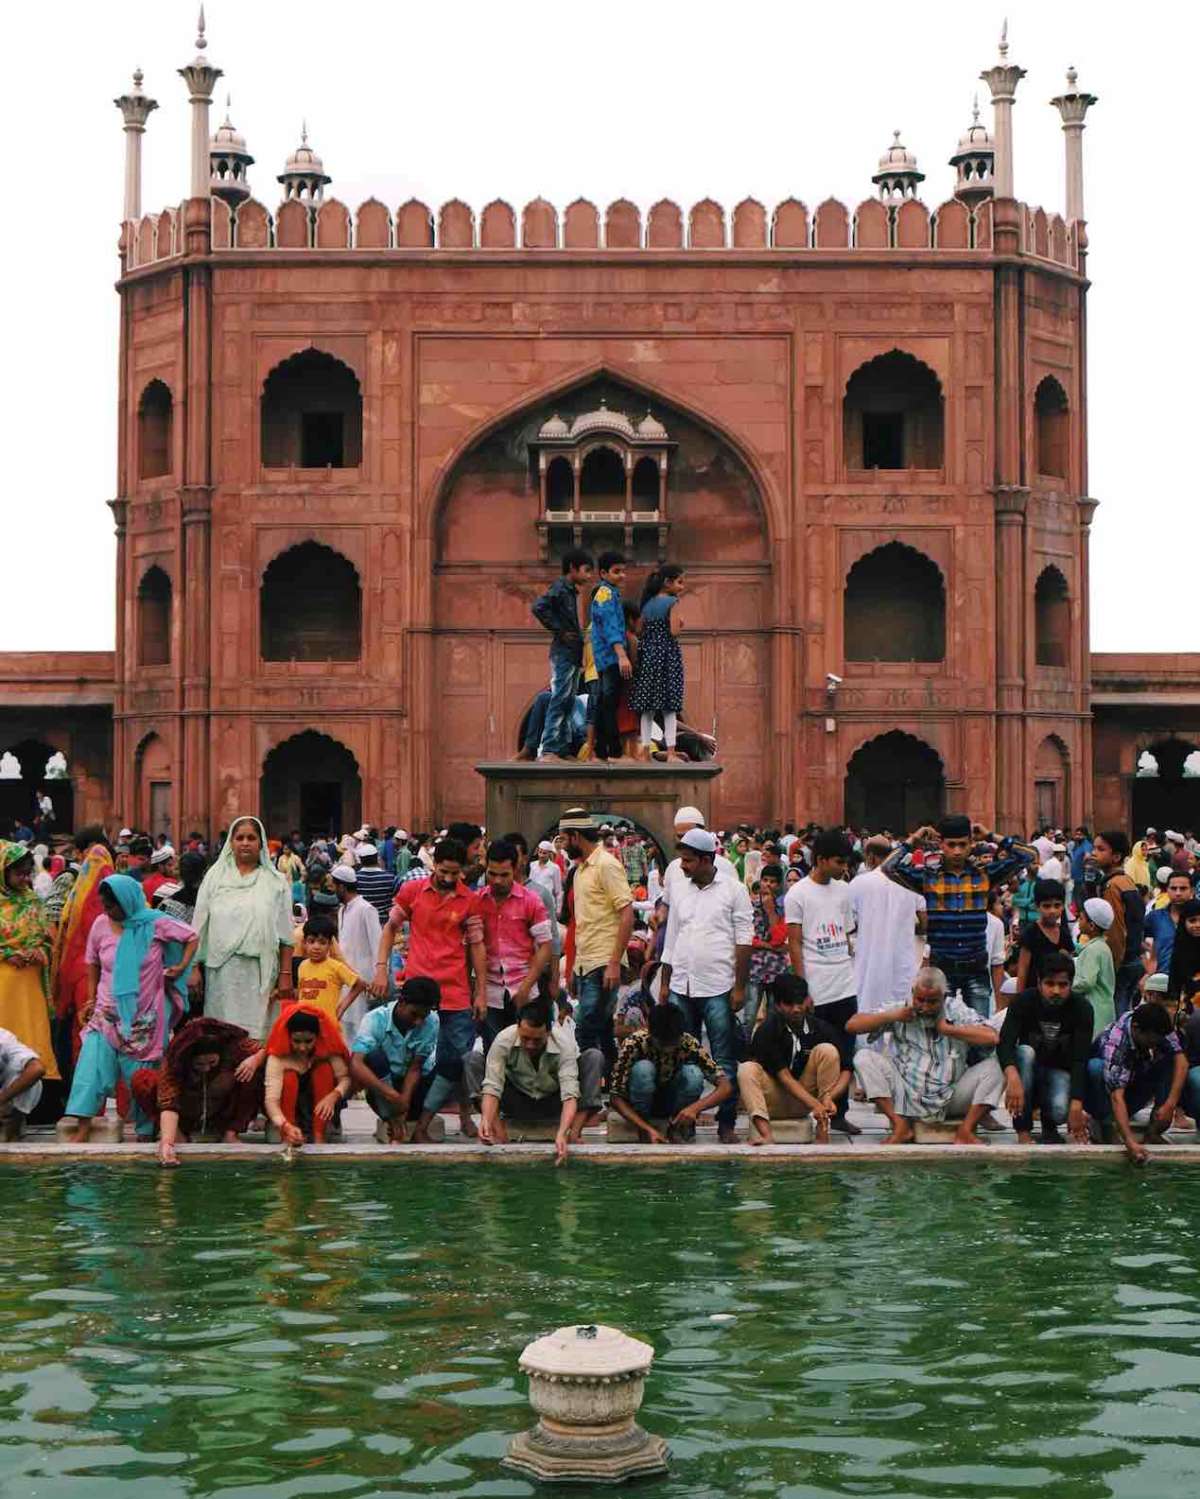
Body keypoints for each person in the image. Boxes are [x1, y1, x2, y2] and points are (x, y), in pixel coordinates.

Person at [61, 875, 197, 1142]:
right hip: (107, 1012)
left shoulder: (154, 923)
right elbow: (92, 963)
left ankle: (146, 1131)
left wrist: (181, 968)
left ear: (128, 901)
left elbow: (192, 937)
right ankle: (83, 1127)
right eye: (105, 905)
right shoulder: (101, 925)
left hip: (144, 1016)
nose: (107, 911)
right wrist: (90, 1000)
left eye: (112, 906)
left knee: (143, 1078)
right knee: (90, 1067)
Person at [371, 837, 486, 1138]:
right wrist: (382, 969)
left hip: (456, 992)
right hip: (417, 992)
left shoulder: (469, 899)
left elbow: (477, 946)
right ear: (434, 864)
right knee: (410, 1056)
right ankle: (404, 1113)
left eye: (455, 873)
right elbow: (390, 928)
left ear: (463, 870)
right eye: (444, 871)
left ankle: (463, 1114)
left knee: (457, 1059)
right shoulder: (412, 891)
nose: (449, 878)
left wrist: (481, 992)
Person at [882, 816, 1036, 1016]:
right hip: (942, 970)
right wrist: (915, 839)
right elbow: (888, 867)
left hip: (976, 968)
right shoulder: (928, 878)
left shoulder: (985, 875)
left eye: (963, 844)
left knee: (978, 1031)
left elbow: (1030, 855)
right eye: (951, 844)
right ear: (941, 845)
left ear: (971, 844)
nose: (957, 851)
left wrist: (990, 835)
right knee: (941, 1034)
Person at [660, 827, 752, 1143]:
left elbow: (744, 941)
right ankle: (684, 1121)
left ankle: (726, 1123)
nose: (682, 866)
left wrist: (740, 988)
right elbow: (672, 938)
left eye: (688, 861)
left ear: (706, 859)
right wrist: (665, 983)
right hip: (681, 985)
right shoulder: (680, 887)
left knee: (723, 1058)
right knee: (682, 1056)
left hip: (719, 986)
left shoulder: (734, 890)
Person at [847, 967, 1004, 1146]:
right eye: (920, 1000)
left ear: (944, 998)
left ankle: (965, 1131)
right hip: (907, 1097)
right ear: (913, 993)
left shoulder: (955, 1008)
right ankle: (900, 1126)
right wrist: (893, 1016)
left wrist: (950, 1030)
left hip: (951, 1097)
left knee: (998, 1065)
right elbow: (852, 1025)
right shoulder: (901, 1009)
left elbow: (992, 1037)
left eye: (932, 1002)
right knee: (863, 1057)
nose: (925, 1007)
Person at [785, 827, 860, 1134]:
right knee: (816, 1052)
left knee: (846, 1053)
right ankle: (815, 1109)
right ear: (820, 859)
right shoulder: (797, 894)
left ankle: (839, 1112)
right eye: (839, 862)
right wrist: (803, 990)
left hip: (844, 984)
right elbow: (794, 944)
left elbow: (846, 933)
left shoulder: (844, 890)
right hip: (816, 987)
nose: (844, 868)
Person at [192, 816, 295, 1039]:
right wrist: (193, 967)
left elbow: (286, 935)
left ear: (261, 843)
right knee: (221, 1035)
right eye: (239, 838)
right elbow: (199, 926)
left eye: (251, 838)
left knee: (256, 1038)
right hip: (222, 972)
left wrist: (286, 974)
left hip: (260, 973)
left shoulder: (276, 882)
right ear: (231, 843)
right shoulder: (215, 878)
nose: (245, 843)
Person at [473, 999, 603, 1164]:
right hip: (516, 1100)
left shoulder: (564, 1044)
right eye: (526, 1038)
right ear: (518, 1027)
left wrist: (562, 1133)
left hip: (553, 1101)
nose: (530, 1045)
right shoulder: (503, 1040)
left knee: (594, 1057)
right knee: (473, 1061)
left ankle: (575, 1133)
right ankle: (498, 1132)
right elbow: (492, 1087)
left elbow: (570, 1095)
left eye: (537, 1040)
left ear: (548, 1032)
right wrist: (486, 1120)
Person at [737, 973, 852, 1145]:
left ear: (807, 1000)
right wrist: (816, 1104)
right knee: (746, 1069)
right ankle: (766, 1134)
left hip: (805, 1102)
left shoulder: (820, 1028)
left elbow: (847, 1070)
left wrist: (828, 1098)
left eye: (799, 1003)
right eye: (789, 1004)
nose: (796, 1009)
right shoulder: (767, 1030)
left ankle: (822, 1129)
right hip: (773, 1101)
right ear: (777, 1005)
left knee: (827, 1051)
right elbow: (785, 1078)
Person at [132, 1016, 263, 1166]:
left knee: (253, 1075)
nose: (206, 1068)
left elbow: (265, 1049)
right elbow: (168, 1101)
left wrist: (254, 1060)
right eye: (199, 1064)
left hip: (222, 1108)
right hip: (187, 1107)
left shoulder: (234, 1044)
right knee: (143, 1079)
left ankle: (230, 1132)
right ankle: (179, 1134)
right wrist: (167, 1142)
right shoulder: (176, 1057)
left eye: (212, 1062)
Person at [559, 811, 634, 1068]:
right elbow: (580, 923)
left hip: (603, 962)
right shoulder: (580, 870)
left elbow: (627, 914)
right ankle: (613, 1087)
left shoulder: (606, 865)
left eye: (563, 839)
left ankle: (588, 1095)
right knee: (601, 1029)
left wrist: (614, 963)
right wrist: (572, 968)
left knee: (585, 1030)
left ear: (575, 837)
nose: (562, 845)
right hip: (586, 962)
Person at [995, 951, 1092, 1145]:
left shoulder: (1082, 1008)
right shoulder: (1023, 1002)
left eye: (1063, 985)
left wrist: (1076, 1103)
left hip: (1058, 1073)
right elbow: (1005, 1043)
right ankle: (1023, 1130)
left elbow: (1080, 1059)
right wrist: (1012, 1076)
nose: (1056, 991)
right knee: (1024, 1052)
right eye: (1050, 984)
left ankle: (1050, 1127)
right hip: (1027, 1070)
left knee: (1060, 1111)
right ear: (1039, 982)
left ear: (1071, 985)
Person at [608, 1001, 732, 1144]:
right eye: (662, 1044)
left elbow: (725, 1086)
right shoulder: (634, 1043)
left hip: (672, 1102)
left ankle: (678, 1126)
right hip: (640, 1105)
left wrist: (694, 1109)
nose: (667, 1049)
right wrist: (646, 1128)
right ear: (650, 1031)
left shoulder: (688, 1043)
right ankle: (644, 1128)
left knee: (693, 1074)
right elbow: (615, 1097)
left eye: (672, 1043)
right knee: (643, 1069)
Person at [471, 839, 553, 1049]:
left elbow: (545, 946)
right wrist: (478, 992)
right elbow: (472, 947)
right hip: (489, 990)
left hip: (524, 988)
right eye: (492, 873)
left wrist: (526, 987)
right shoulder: (476, 901)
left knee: (526, 1049)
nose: (497, 880)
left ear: (516, 869)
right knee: (495, 1051)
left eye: (504, 875)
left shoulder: (531, 900)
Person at [1084, 1003, 1188, 1162]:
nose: (1154, 1043)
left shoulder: (1156, 1025)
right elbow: (1116, 1097)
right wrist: (1129, 1142)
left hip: (1135, 1081)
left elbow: (1182, 1061)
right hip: (1105, 1094)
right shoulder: (1117, 1042)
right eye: (1151, 1039)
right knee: (1095, 1068)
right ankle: (1105, 1126)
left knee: (1170, 1060)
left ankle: (1153, 1131)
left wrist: (1170, 1105)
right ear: (1136, 1029)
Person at [49, 830, 115, 1073]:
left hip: (81, 968)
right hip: (91, 970)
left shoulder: (85, 889)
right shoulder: (80, 883)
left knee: (86, 1029)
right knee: (91, 1029)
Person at [349, 976, 442, 1143]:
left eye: (424, 1016)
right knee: (374, 1057)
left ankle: (419, 1128)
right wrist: (390, 1093)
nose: (418, 1021)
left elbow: (416, 1067)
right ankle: (392, 1122)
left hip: (415, 1089)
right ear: (401, 1002)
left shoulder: (432, 1021)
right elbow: (356, 1063)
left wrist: (403, 1102)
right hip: (382, 1089)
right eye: (414, 1014)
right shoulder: (374, 1019)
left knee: (446, 1063)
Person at [0, 840, 59, 1089]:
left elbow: (48, 941)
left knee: (33, 1034)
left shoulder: (33, 902)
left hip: (29, 984)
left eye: (27, 873)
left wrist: (39, 952)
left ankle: (35, 1087)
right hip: (4, 984)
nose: (25, 879)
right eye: (19, 873)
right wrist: (4, 954)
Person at [849, 835, 926, 1017]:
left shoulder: (858, 884)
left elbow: (849, 927)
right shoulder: (909, 882)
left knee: (868, 1016)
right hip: (903, 964)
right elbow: (925, 923)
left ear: (870, 857)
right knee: (902, 1014)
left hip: (868, 966)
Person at [531, 547, 594, 760]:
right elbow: (539, 607)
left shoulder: (569, 591)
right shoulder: (560, 588)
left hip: (571, 653)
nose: (588, 575)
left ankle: (562, 748)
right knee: (559, 700)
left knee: (568, 701)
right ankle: (548, 748)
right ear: (572, 568)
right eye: (586, 570)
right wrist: (560, 630)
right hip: (563, 653)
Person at [263, 1003, 351, 1146]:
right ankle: (288, 1134)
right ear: (288, 1037)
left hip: (318, 1107)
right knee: (289, 1077)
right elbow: (271, 1101)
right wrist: (285, 1125)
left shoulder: (328, 1048)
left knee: (324, 1070)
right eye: (296, 1041)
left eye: (308, 1041)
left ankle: (319, 1133)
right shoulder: (278, 1057)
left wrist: (333, 1096)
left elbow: (345, 1079)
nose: (302, 1047)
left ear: (317, 1037)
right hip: (286, 1113)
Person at [630, 565, 686, 759]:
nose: (682, 587)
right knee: (670, 706)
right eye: (680, 582)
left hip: (648, 655)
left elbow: (638, 630)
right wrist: (680, 623)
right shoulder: (672, 602)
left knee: (647, 707)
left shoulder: (647, 603)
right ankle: (671, 752)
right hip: (667, 656)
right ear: (667, 582)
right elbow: (674, 632)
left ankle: (645, 752)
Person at [1088, 830, 1145, 1018]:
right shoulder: (1126, 881)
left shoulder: (1113, 886)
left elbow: (1116, 931)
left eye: (1101, 849)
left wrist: (1110, 967)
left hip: (1122, 962)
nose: (1094, 853)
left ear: (1116, 856)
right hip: (1134, 959)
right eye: (1094, 848)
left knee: (1117, 1016)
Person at [590, 550, 632, 761]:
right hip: (610, 657)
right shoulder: (606, 593)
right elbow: (610, 626)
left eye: (623, 571)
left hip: (605, 656)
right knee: (608, 703)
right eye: (617, 572)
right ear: (604, 573)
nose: (622, 576)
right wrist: (621, 655)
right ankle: (614, 751)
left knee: (607, 703)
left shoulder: (608, 592)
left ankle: (602, 751)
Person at [295, 916, 366, 1025]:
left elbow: (360, 984)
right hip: (306, 1026)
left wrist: (341, 1008)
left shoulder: (336, 967)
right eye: (311, 941)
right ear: (304, 943)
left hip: (328, 1026)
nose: (316, 947)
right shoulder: (302, 966)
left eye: (322, 943)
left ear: (330, 945)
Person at [745, 862, 790, 1033]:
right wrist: (769, 946)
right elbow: (748, 939)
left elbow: (779, 940)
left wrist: (771, 911)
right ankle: (745, 1054)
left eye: (773, 881)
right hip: (754, 969)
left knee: (774, 1019)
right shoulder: (749, 907)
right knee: (749, 1017)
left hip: (776, 971)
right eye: (765, 880)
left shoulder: (783, 910)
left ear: (779, 885)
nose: (768, 885)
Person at [1014, 879, 1073, 991]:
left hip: (1057, 994)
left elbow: (1069, 968)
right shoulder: (1030, 933)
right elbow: (1022, 971)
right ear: (1037, 906)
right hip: (1033, 995)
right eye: (1046, 906)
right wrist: (1020, 1001)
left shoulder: (1064, 934)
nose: (1052, 911)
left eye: (1057, 906)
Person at [1074, 898, 1117, 1037]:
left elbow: (1087, 982)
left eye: (1081, 918)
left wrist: (1067, 987)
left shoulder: (1093, 950)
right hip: (1105, 1008)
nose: (1078, 922)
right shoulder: (1101, 947)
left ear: (1091, 925)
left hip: (1095, 1009)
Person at [1145, 872, 1196, 977]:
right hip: (1162, 982)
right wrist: (1148, 964)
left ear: (1192, 890)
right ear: (1166, 890)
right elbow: (1135, 938)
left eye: (1183, 888)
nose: (1178, 893)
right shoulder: (1156, 917)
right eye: (1173, 888)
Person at [0, 1025, 46, 1140]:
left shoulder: (3, 1037)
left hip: (4, 1096)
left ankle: (10, 1126)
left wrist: (1, 1099)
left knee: (24, 1074)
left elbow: (37, 1069)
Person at [352, 842, 397, 922]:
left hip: (361, 922)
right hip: (384, 923)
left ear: (361, 860)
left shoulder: (354, 878)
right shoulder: (390, 878)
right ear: (377, 858)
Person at [1167, 899, 1200, 999]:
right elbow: (1175, 984)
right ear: (1183, 922)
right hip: (1186, 1005)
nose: (1198, 925)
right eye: (1192, 920)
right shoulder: (1180, 949)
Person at [528, 840, 564, 909]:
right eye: (540, 852)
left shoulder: (554, 868)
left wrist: (558, 908)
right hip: (534, 903)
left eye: (544, 853)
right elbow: (530, 886)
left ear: (549, 854)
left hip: (548, 905)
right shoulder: (532, 865)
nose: (541, 855)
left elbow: (558, 891)